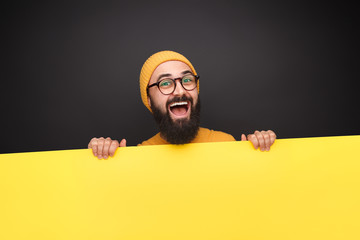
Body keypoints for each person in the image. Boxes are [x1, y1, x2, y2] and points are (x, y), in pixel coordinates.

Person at [88, 50, 276, 159]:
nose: (179, 91)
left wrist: (261, 150)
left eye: (187, 80)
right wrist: (100, 157)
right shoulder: (139, 157)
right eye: (166, 83)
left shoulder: (226, 144)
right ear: (149, 100)